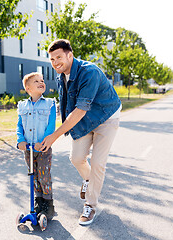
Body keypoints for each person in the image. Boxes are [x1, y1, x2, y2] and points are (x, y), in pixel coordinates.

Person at [41, 39, 122, 226]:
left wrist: (55, 136)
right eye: (52, 59)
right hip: (85, 120)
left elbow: (79, 110)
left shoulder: (89, 72)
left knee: (98, 163)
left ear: (70, 55)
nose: (55, 62)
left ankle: (90, 205)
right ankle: (88, 179)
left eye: (59, 57)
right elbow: (67, 106)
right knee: (76, 158)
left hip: (106, 116)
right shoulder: (61, 76)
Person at [16, 72, 57, 220]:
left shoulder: (50, 103)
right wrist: (20, 140)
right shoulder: (22, 106)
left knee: (44, 176)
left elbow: (51, 125)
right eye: (36, 81)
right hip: (29, 149)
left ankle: (48, 204)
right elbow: (19, 125)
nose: (41, 82)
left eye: (42, 80)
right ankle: (38, 201)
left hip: (43, 148)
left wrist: (44, 141)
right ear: (28, 88)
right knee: (33, 176)